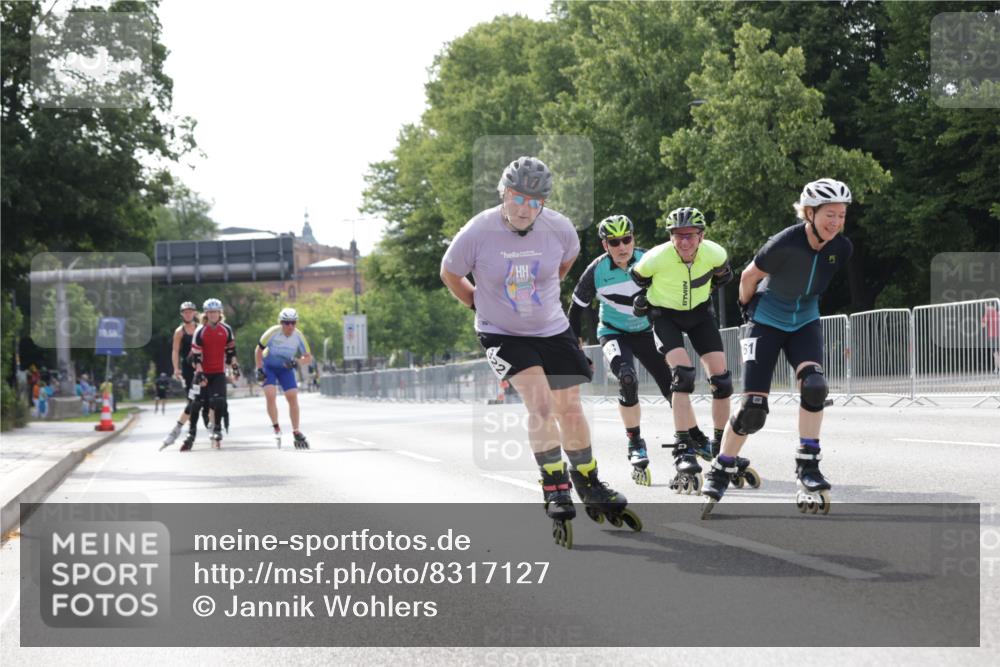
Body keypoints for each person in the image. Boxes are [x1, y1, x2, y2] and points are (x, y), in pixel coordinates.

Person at [441, 155, 640, 549]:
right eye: (517, 198)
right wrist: (477, 305)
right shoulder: (478, 231)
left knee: (570, 408)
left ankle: (588, 478)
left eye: (534, 202)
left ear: (544, 203)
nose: (523, 209)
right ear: (504, 192)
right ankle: (555, 484)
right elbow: (450, 272)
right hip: (502, 333)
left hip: (551, 327)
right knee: (542, 407)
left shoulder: (561, 229)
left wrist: (542, 299)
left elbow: (562, 266)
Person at [702, 178, 854, 518]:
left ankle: (808, 465)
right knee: (753, 409)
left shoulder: (841, 248)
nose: (836, 223)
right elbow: (748, 277)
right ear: (810, 213)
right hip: (766, 321)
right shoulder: (784, 242)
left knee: (814, 387)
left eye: (841, 215)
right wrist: (747, 311)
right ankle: (722, 466)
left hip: (804, 321)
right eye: (830, 214)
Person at [630, 207, 734, 494]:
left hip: (700, 313)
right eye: (677, 236)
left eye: (689, 235)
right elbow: (636, 276)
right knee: (683, 375)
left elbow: (723, 271)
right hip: (665, 315)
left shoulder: (715, 253)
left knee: (722, 381)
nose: (684, 241)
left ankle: (720, 445)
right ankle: (683, 447)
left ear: (701, 236)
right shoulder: (656, 257)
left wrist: (723, 275)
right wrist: (641, 300)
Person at [567, 214, 673, 487]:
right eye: (614, 242)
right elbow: (576, 309)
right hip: (614, 333)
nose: (622, 246)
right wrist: (576, 346)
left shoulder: (649, 259)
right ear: (605, 245)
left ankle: (689, 437)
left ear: (634, 239)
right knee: (627, 379)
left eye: (626, 239)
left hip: (646, 332)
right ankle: (635, 442)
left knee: (675, 386)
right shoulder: (596, 271)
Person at [182, 298, 238, 450]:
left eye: (216, 312)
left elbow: (231, 350)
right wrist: (200, 373)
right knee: (196, 403)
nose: (213, 315)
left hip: (218, 372)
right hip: (202, 372)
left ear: (220, 313)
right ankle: (191, 432)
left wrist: (234, 366)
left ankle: (217, 428)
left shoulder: (226, 329)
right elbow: (195, 356)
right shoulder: (200, 331)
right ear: (206, 314)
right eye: (210, 312)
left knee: (219, 400)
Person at [254, 307, 313, 449]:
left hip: (286, 368)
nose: (290, 326)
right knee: (270, 395)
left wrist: (296, 362)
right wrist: (260, 369)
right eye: (286, 323)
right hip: (269, 366)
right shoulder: (273, 332)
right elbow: (258, 350)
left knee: (292, 396)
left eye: (293, 323)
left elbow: (308, 358)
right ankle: (276, 426)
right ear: (281, 323)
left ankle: (296, 431)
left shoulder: (298, 336)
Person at [162, 302, 201, 448]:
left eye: (190, 312)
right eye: (185, 312)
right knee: (192, 399)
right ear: (182, 314)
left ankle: (213, 426)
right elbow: (175, 351)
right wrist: (176, 368)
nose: (188, 314)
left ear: (195, 313)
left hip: (201, 367)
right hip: (188, 369)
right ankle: (191, 430)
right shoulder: (180, 331)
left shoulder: (200, 329)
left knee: (208, 398)